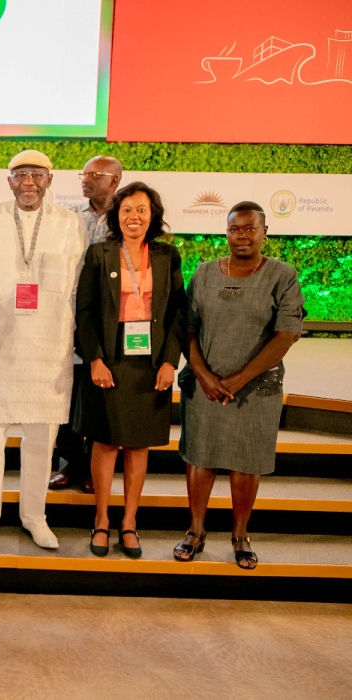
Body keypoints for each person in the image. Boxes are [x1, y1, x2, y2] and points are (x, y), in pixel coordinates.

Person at [0, 150, 87, 550]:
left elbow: (79, 284)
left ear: (50, 179)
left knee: (41, 438)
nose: (28, 182)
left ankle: (35, 516)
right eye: (21, 175)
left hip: (49, 345)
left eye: (36, 174)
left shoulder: (72, 224)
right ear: (9, 180)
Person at [173, 201, 306, 570]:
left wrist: (239, 378)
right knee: (200, 457)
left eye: (250, 228)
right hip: (205, 387)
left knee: (246, 462)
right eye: (235, 229)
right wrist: (203, 375)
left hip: (256, 390)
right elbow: (188, 328)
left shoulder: (282, 275)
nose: (242, 235)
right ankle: (196, 530)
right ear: (226, 232)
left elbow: (287, 333)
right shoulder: (203, 273)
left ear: (265, 232)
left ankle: (240, 535)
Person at [74, 182, 185, 559]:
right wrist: (94, 359)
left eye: (141, 210)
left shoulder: (167, 256)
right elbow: (84, 312)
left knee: (138, 444)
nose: (133, 217)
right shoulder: (99, 253)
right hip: (110, 357)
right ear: (115, 215)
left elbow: (177, 314)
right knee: (105, 441)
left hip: (151, 362)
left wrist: (171, 360)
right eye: (126, 210)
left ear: (152, 215)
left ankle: (130, 523)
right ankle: (102, 521)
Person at [50, 155, 124, 493]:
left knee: (99, 396)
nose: (86, 179)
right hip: (69, 316)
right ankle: (68, 465)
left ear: (114, 182)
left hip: (109, 319)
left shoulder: (125, 220)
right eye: (84, 173)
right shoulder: (69, 220)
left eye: (95, 174)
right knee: (67, 391)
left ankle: (96, 468)